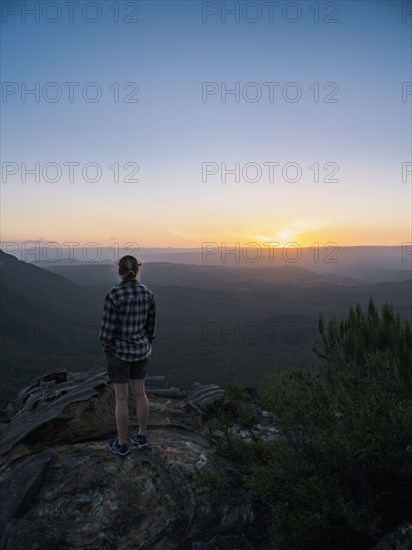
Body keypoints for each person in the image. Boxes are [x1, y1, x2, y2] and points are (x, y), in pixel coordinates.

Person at [100, 255, 156, 457]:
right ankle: (141, 436)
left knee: (121, 398)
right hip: (140, 352)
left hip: (120, 355)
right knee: (140, 394)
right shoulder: (147, 293)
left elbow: (107, 333)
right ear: (137, 270)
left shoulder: (114, 294)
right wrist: (146, 345)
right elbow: (151, 327)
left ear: (120, 271)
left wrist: (109, 352)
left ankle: (121, 444)